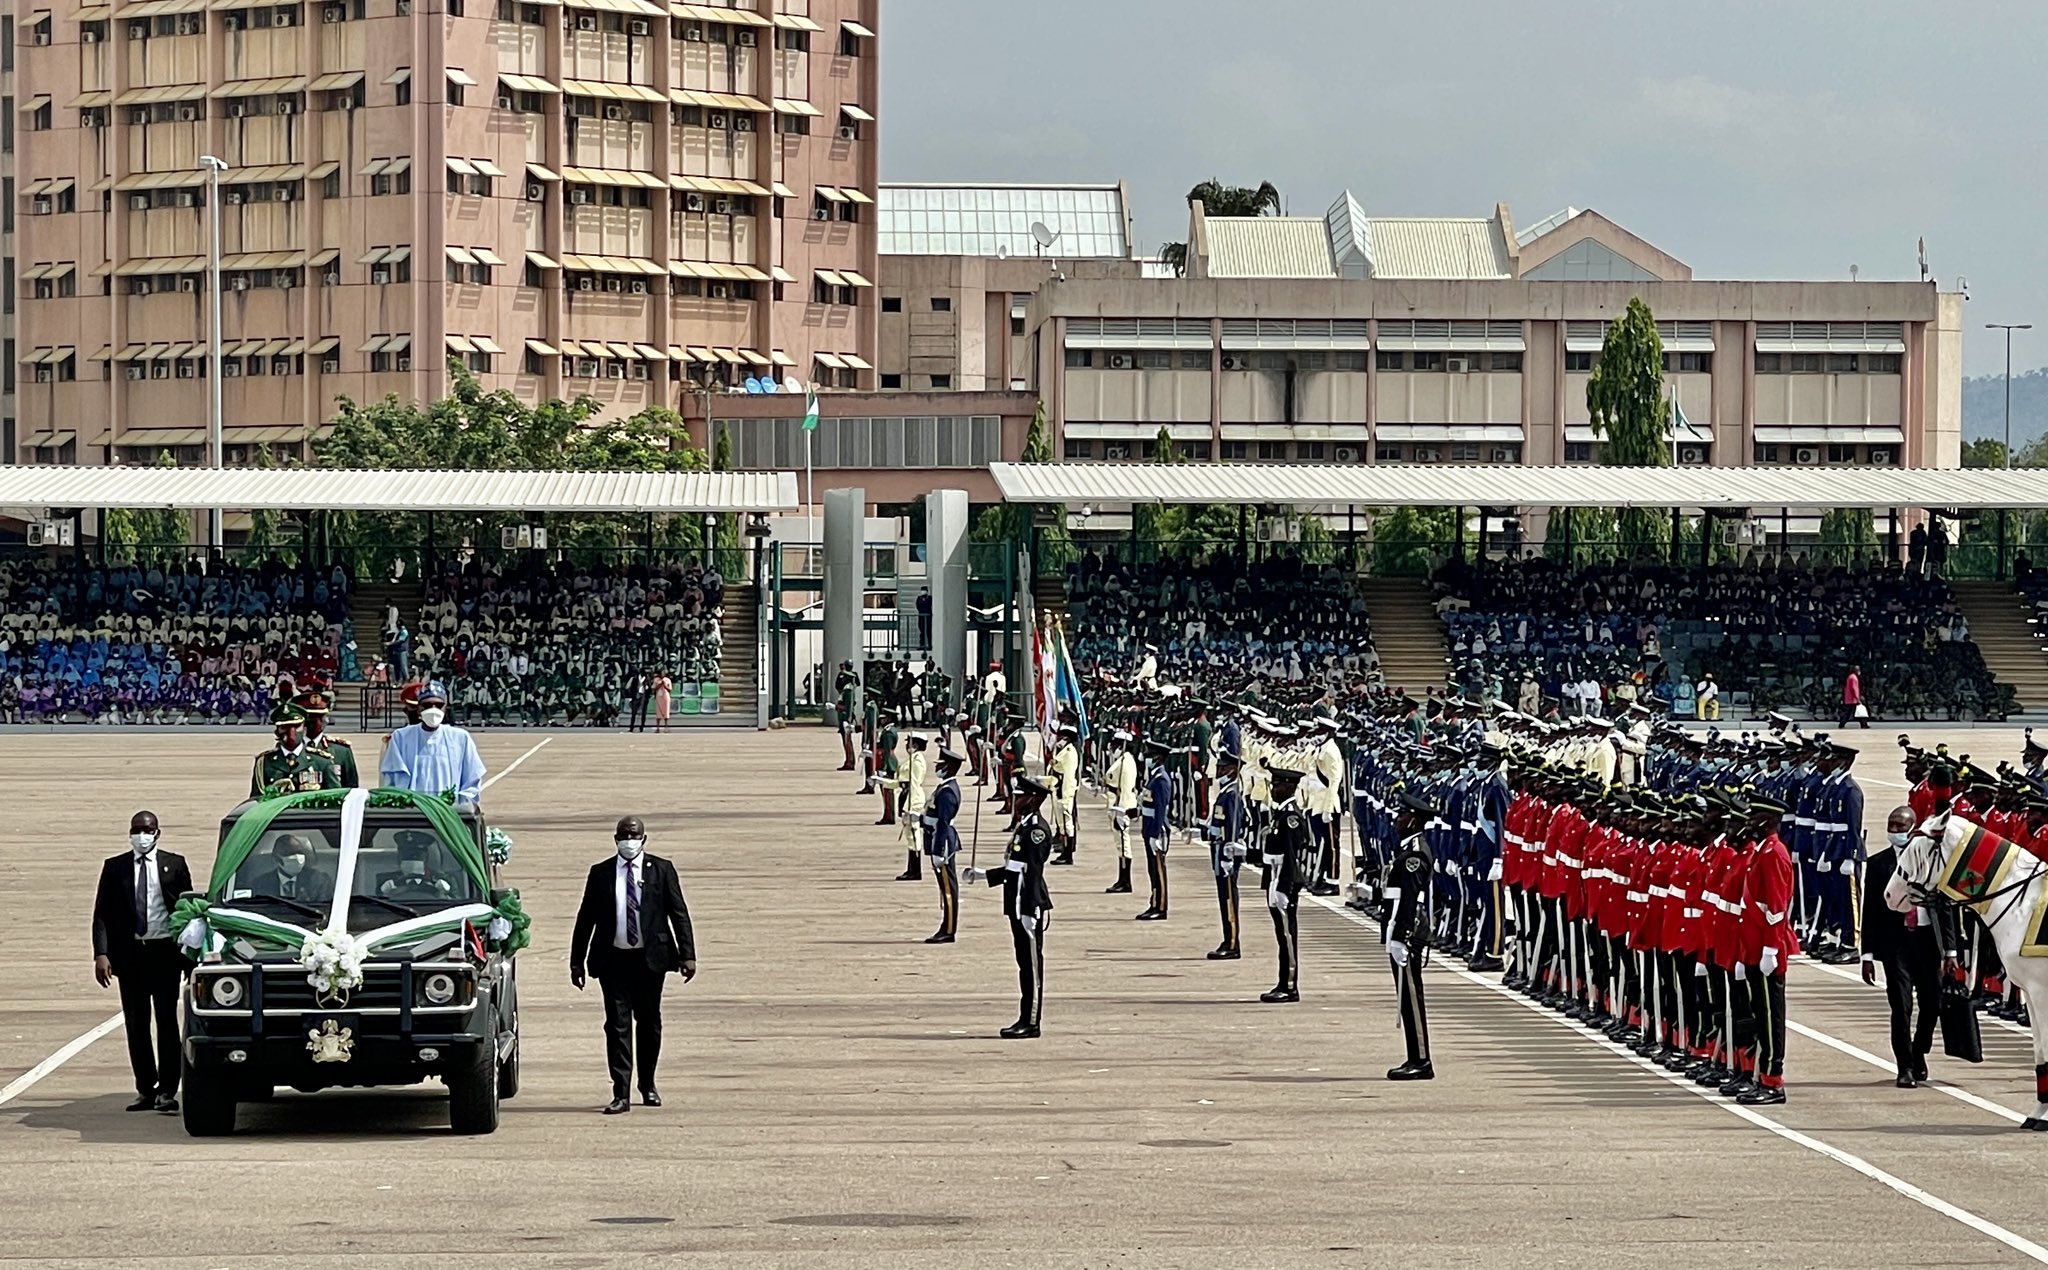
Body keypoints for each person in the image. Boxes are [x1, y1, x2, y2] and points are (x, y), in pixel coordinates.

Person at [569, 816, 697, 1114]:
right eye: (624, 835)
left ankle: (648, 1085)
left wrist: (687, 955)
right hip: (613, 958)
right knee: (617, 1025)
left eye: (634, 835)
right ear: (615, 839)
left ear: (644, 838)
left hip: (650, 959)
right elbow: (585, 918)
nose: (629, 840)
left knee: (649, 1023)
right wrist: (577, 962)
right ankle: (621, 1092)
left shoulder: (662, 870)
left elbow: (679, 913)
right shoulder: (601, 873)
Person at [92, 810, 193, 1113]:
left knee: (165, 1021)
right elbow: (102, 914)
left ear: (157, 833)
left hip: (164, 954)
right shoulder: (115, 868)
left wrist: (190, 958)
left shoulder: (174, 865)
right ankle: (145, 1088)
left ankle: (168, 1090)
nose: (141, 835)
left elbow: (187, 911)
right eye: (136, 830)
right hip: (131, 955)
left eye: (147, 830)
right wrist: (101, 954)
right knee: (136, 1025)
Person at [966, 775, 1054, 1038]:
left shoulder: (1037, 830)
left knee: (1032, 966)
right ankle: (1024, 1016)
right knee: (1023, 964)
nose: (1017, 800)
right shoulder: (1024, 826)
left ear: (1035, 799)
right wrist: (984, 875)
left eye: (1022, 796)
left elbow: (1033, 873)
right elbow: (1013, 869)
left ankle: (1031, 1021)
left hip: (1027, 904)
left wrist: (1030, 910)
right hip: (1016, 902)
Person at [1861, 805, 1942, 1087]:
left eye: (1900, 826)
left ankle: (1919, 1050)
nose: (1894, 831)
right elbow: (1869, 909)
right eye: (1891, 825)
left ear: (1913, 828)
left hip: (1926, 941)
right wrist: (1867, 954)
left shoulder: (1929, 859)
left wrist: (1953, 950)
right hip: (1895, 946)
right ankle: (1904, 1066)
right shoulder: (1878, 863)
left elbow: (1945, 906)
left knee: (1932, 1004)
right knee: (1901, 1006)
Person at [1247, 761, 1313, 1004]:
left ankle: (1289, 985)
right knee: (1280, 934)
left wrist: (1284, 887)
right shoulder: (1281, 814)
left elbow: (1290, 854)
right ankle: (1282, 981)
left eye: (1277, 784)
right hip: (1274, 877)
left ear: (1289, 787)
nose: (1273, 788)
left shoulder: (1291, 817)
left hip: (1283, 880)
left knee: (1287, 936)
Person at [1386, 791, 1438, 1081]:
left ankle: (1421, 1059)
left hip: (1408, 931)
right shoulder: (1408, 848)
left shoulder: (1415, 853)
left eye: (1402, 815)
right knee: (1406, 997)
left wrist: (1401, 936)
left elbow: (1409, 899)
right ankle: (1414, 1056)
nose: (1397, 819)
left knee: (1412, 998)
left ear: (1414, 820)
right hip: (1401, 927)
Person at [379, 681, 486, 803]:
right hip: (413, 810)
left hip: (449, 811)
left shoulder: (460, 738)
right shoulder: (401, 737)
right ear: (419, 708)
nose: (433, 709)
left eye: (438, 705)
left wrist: (462, 806)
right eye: (427, 705)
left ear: (445, 707)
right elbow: (392, 779)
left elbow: (472, 779)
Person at [251, 702, 341, 799]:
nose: (291, 733)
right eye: (285, 727)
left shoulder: (321, 762)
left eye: (296, 726)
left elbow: (335, 798)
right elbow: (256, 799)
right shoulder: (264, 763)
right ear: (277, 732)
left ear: (305, 730)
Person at [922, 745, 965, 943]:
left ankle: (949, 929)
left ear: (948, 767)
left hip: (943, 842)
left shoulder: (948, 792)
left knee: (948, 889)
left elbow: (943, 822)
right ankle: (946, 925)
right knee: (945, 887)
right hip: (938, 838)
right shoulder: (944, 788)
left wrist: (938, 851)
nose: (938, 768)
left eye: (941, 765)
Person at [1206, 750, 1246, 960]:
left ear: (1232, 771)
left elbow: (1233, 826)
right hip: (1218, 850)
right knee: (1223, 898)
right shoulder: (1225, 793)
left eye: (1222, 768)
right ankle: (1227, 937)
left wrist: (1229, 856)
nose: (1218, 772)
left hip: (1226, 854)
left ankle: (1232, 943)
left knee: (1229, 898)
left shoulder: (1232, 795)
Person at [294, 685, 358, 787]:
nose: (313, 722)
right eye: (309, 718)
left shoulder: (341, 751)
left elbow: (351, 786)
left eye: (319, 718)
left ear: (325, 720)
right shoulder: (291, 748)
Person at [1138, 741, 1173, 920]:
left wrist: (1156, 833)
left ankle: (1161, 907)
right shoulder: (1153, 777)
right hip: (1149, 827)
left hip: (1157, 830)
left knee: (1158, 870)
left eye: (1150, 756)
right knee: (1152, 869)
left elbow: (1160, 809)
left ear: (1158, 758)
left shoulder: (1161, 780)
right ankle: (1154, 903)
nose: (1147, 758)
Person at [246, 833, 333, 904]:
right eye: (290, 853)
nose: (297, 857)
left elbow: (324, 909)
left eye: (300, 852)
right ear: (277, 859)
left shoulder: (319, 880)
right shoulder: (260, 884)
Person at [1103, 730, 1139, 894]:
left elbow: (1119, 784)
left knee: (1123, 845)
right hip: (1118, 805)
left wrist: (1120, 810)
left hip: (1121, 807)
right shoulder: (1123, 760)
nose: (1114, 747)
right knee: (1120, 845)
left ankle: (1125, 881)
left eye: (1116, 744)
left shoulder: (1125, 762)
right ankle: (1122, 879)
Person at [376, 831, 457, 900]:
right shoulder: (386, 880)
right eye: (406, 856)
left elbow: (461, 907)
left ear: (425, 857)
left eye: (417, 856)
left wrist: (445, 895)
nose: (412, 859)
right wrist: (385, 894)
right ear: (399, 858)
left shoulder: (445, 880)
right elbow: (372, 906)